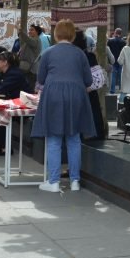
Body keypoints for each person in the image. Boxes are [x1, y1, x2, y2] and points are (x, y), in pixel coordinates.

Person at [31, 19, 96, 192]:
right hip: (76, 95)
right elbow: (88, 80)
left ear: (56, 34)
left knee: (54, 139)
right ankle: (75, 181)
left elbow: (41, 79)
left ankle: (54, 181)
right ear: (73, 35)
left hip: (53, 95)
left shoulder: (48, 53)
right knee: (74, 139)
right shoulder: (80, 54)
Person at [74, 30, 107, 140]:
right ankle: (95, 136)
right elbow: (99, 79)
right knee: (94, 114)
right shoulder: (90, 56)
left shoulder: (72, 56)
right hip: (90, 92)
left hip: (76, 93)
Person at [18, 24, 43, 93]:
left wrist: (21, 32)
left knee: (30, 89)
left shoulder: (36, 40)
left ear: (37, 32)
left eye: (32, 30)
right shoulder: (33, 40)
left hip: (31, 70)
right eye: (29, 30)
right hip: (27, 69)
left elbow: (27, 39)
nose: (29, 31)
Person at [107, 28, 126, 94]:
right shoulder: (124, 42)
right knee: (121, 75)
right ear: (121, 34)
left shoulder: (110, 41)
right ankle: (121, 89)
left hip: (113, 60)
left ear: (115, 32)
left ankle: (112, 90)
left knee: (113, 76)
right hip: (120, 60)